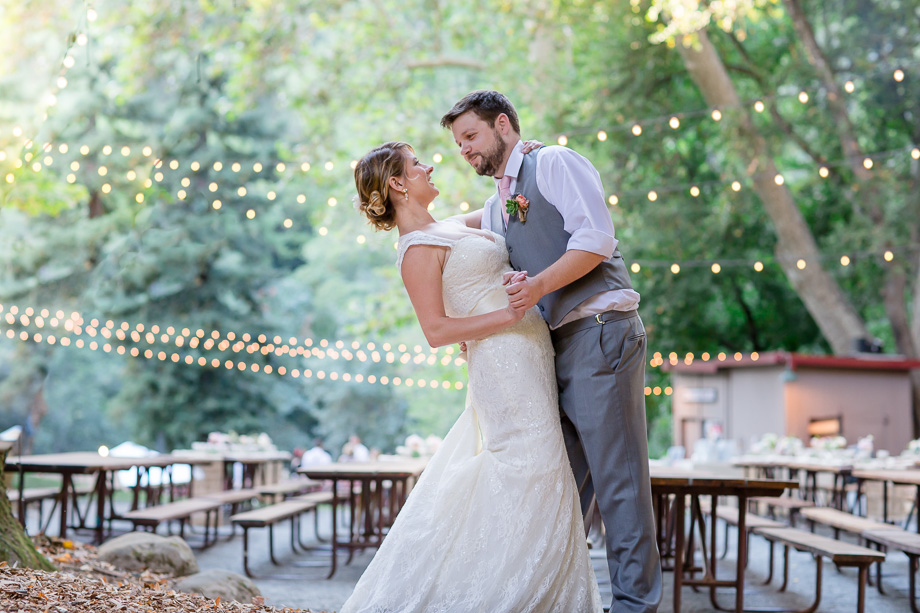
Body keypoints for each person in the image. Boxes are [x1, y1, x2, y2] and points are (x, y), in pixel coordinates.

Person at [341, 141, 602, 612]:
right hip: (501, 362)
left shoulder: (448, 227)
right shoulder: (416, 249)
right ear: (398, 184)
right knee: (534, 467)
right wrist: (505, 318)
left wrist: (527, 160)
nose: (431, 165)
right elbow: (437, 331)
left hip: (530, 353)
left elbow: (506, 209)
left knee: (542, 470)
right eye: (417, 163)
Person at [441, 89, 661, 612]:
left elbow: (596, 240)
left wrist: (537, 286)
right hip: (552, 351)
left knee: (620, 484)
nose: (465, 149)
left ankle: (634, 607)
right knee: (557, 487)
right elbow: (442, 230)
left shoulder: (555, 162)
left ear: (503, 125)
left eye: (471, 136)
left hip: (600, 330)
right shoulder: (496, 208)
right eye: (457, 143)